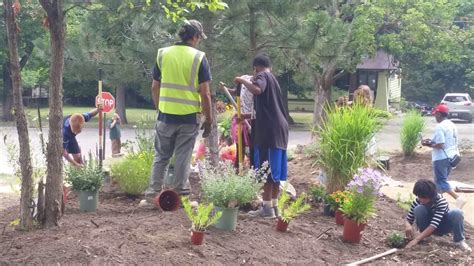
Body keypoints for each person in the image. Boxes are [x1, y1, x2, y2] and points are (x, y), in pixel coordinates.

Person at [145, 19, 213, 200]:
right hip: (189, 117)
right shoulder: (199, 57)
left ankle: (153, 195)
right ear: (196, 37)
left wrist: (160, 108)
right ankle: (180, 195)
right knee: (183, 156)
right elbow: (205, 94)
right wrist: (209, 119)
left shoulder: (163, 54)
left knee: (161, 156)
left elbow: (154, 87)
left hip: (165, 115)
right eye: (199, 38)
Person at [235, 54, 289, 218]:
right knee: (275, 173)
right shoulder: (272, 78)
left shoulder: (262, 75)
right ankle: (272, 206)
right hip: (279, 130)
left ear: (256, 68)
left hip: (269, 132)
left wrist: (242, 80)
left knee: (267, 170)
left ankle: (266, 210)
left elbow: (257, 89)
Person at [404, 179, 471, 252]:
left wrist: (416, 239)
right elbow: (409, 218)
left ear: (430, 196)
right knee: (418, 209)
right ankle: (425, 236)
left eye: (423, 198)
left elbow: (434, 224)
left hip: (443, 226)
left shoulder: (441, 202)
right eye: (419, 196)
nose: (420, 199)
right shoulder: (418, 200)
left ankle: (459, 241)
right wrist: (408, 225)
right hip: (427, 227)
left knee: (457, 212)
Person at [421, 104, 465, 209]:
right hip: (452, 157)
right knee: (439, 183)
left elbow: (440, 144)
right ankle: (436, 202)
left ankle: (458, 198)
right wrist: (431, 141)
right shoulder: (452, 125)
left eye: (435, 114)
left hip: (441, 158)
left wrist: (428, 144)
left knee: (441, 181)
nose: (435, 116)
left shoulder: (440, 126)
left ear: (439, 114)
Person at [219, 75, 254, 169]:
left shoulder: (258, 85)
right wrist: (225, 89)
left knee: (253, 147)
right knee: (240, 146)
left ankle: (253, 169)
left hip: (251, 118)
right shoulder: (245, 78)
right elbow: (236, 92)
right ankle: (239, 168)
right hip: (240, 117)